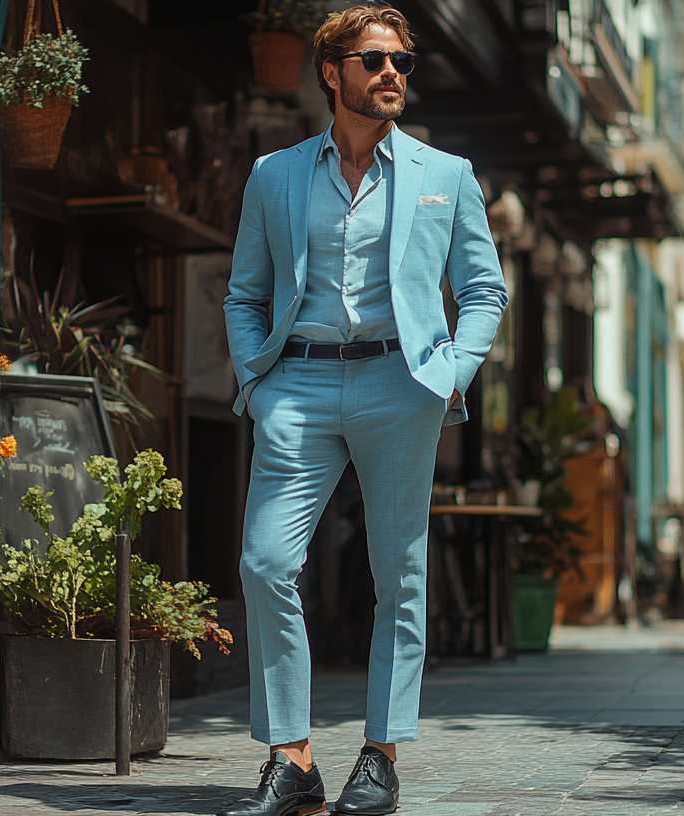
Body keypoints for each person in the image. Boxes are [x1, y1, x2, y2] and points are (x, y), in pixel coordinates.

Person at [220, 5, 508, 816]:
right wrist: (256, 380)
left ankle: (380, 754)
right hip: (299, 387)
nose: (391, 74)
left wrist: (452, 369)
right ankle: (293, 757)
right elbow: (246, 293)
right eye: (375, 61)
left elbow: (484, 290)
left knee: (399, 576)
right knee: (266, 564)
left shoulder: (445, 175)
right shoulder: (274, 175)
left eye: (402, 63)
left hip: (401, 385)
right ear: (330, 71)